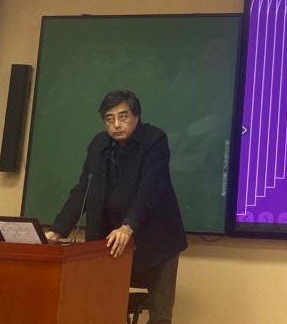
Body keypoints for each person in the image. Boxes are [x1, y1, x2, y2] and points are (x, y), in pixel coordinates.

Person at [46, 90, 188, 324]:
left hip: (157, 239)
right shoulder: (99, 144)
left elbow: (150, 188)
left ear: (136, 116)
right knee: (106, 306)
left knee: (160, 314)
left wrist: (128, 226)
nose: (116, 124)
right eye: (109, 118)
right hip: (111, 241)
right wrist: (57, 230)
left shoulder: (154, 139)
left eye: (123, 116)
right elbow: (84, 189)